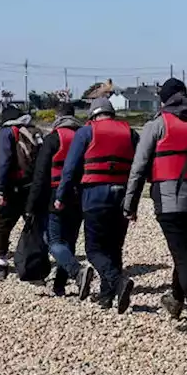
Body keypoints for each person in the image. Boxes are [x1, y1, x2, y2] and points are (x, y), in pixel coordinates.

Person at [124, 79, 187, 333]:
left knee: (183, 256)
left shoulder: (157, 125)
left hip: (170, 202)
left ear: (164, 100)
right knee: (184, 252)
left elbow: (138, 169)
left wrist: (130, 204)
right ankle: (175, 300)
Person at [55, 97, 139, 312]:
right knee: (114, 248)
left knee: (93, 250)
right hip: (123, 194)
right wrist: (134, 201)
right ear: (113, 114)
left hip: (95, 194)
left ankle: (118, 282)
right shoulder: (130, 133)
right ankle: (106, 297)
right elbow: (140, 167)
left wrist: (61, 195)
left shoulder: (86, 132)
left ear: (93, 115)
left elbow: (70, 168)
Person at [24, 103, 92, 297]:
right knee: (69, 241)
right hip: (81, 195)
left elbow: (40, 174)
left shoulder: (54, 139)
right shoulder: (85, 136)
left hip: (56, 195)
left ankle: (77, 271)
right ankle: (60, 285)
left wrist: (31, 205)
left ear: (58, 117)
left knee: (53, 240)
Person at [0, 107, 44, 279]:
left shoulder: (7, 132)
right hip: (34, 186)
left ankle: (1, 264)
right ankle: (37, 264)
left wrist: (0, 188)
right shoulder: (35, 131)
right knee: (34, 225)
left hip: (14, 186)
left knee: (3, 225)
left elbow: (2, 162)